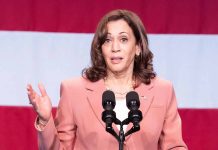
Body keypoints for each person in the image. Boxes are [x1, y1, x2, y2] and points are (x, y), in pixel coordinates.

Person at [27, 9, 187, 150]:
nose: (115, 47)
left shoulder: (162, 90)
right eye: (107, 40)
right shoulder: (73, 90)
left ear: (138, 47)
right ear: (100, 48)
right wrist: (45, 119)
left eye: (123, 39)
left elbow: (173, 146)